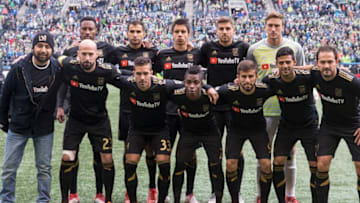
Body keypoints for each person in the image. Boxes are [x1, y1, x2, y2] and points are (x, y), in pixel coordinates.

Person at [115, 56, 218, 203]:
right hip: (137, 130)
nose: (142, 77)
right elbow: (109, 75)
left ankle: (161, 200)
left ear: (152, 72)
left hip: (159, 130)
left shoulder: (163, 85)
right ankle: (132, 200)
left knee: (163, 162)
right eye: (138, 74)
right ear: (134, 74)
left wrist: (208, 88)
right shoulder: (127, 83)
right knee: (130, 162)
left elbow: (189, 84)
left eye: (145, 73)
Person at [57, 39, 128, 203]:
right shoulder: (70, 66)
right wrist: (60, 106)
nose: (87, 58)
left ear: (97, 55)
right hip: (75, 120)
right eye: (84, 54)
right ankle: (64, 199)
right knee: (67, 157)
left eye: (90, 54)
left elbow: (125, 83)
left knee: (107, 159)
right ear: (78, 54)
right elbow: (60, 76)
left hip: (99, 121)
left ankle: (107, 198)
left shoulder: (106, 71)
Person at [247, 12, 305, 203]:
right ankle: (260, 195)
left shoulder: (295, 48)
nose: (273, 29)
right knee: (263, 156)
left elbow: (302, 74)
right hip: (264, 112)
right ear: (265, 26)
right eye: (270, 25)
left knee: (289, 155)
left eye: (277, 26)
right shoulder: (255, 49)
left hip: (289, 112)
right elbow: (251, 78)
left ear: (283, 26)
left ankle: (290, 195)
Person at [0, 31, 60, 203]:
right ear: (33, 47)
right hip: (19, 125)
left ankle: (43, 200)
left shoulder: (57, 68)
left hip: (44, 126)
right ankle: (6, 200)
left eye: (47, 47)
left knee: (44, 168)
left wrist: (63, 109)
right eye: (39, 46)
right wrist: (3, 121)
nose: (43, 50)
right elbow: (5, 96)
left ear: (52, 49)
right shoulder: (18, 68)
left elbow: (66, 91)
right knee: (9, 168)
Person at [200, 16, 249, 203]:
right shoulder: (207, 48)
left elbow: (252, 70)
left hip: (236, 107)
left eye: (228, 28)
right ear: (216, 30)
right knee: (214, 152)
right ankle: (216, 192)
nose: (225, 32)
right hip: (214, 108)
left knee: (237, 152)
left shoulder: (243, 48)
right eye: (221, 28)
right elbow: (194, 69)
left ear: (233, 29)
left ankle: (237, 193)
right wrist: (206, 88)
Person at [155, 18, 202, 203]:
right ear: (172, 34)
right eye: (177, 32)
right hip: (167, 113)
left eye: (183, 32)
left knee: (190, 154)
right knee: (164, 156)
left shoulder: (197, 54)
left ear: (189, 34)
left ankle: (189, 193)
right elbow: (153, 73)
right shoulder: (163, 55)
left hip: (190, 114)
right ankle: (164, 194)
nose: (180, 35)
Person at [262, 47, 318, 202]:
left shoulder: (306, 77)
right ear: (276, 64)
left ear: (294, 62)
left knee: (315, 165)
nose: (285, 66)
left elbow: (319, 67)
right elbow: (256, 88)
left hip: (309, 126)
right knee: (277, 162)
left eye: (288, 62)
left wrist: (298, 68)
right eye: (281, 63)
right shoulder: (272, 80)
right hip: (287, 127)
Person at [111, 20, 158, 203]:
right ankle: (129, 190)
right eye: (132, 31)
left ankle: (152, 188)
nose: (136, 34)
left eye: (139, 31)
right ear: (127, 33)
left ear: (144, 33)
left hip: (149, 108)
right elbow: (102, 62)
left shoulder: (152, 53)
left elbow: (161, 74)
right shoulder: (118, 52)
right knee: (128, 152)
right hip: (127, 109)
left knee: (150, 151)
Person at [217, 60, 273, 203]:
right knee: (230, 165)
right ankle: (235, 199)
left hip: (258, 130)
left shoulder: (264, 89)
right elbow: (208, 92)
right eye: (243, 77)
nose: (247, 80)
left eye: (250, 76)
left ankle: (264, 200)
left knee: (266, 165)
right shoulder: (228, 90)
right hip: (236, 131)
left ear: (256, 76)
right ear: (238, 77)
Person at [311, 46, 360, 202]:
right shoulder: (315, 75)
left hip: (353, 125)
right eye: (322, 62)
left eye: (330, 62)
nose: (326, 66)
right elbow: (301, 70)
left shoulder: (351, 80)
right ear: (317, 63)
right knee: (322, 165)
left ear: (337, 62)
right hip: (329, 126)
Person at [171, 65, 224, 203]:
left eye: (196, 83)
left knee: (216, 165)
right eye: (189, 82)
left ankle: (218, 199)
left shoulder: (211, 95)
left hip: (210, 133)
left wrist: (208, 88)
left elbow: (228, 89)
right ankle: (178, 199)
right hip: (189, 133)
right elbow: (163, 85)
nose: (192, 86)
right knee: (179, 164)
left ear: (202, 83)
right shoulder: (177, 94)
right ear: (184, 82)